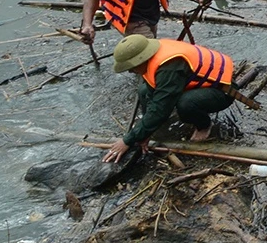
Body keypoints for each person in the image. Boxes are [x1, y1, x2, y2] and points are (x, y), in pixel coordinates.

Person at [100, 34, 237, 161]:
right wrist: (144, 133)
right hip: (195, 83)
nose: (130, 71)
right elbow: (151, 96)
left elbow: (160, 109)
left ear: (142, 59)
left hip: (222, 89)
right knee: (143, 91)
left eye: (132, 67)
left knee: (185, 104)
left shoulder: (169, 66)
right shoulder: (153, 56)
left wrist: (127, 140)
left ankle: (204, 125)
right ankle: (150, 126)